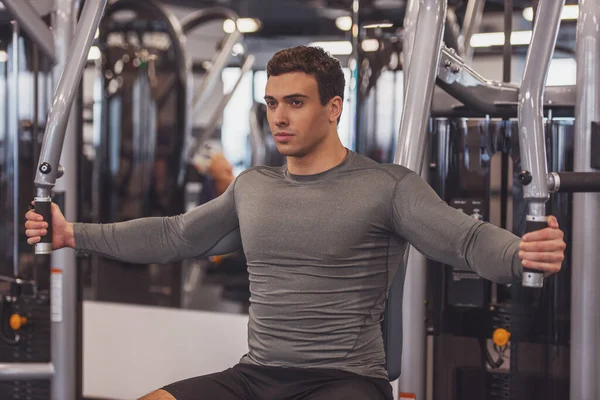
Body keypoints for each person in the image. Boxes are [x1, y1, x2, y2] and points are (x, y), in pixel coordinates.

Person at [25, 46, 566, 400]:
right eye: (271, 103)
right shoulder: (253, 186)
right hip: (256, 375)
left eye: (295, 103)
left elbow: (465, 240)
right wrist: (75, 235)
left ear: (333, 108)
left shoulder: (387, 186)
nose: (279, 117)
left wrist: (522, 255)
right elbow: (174, 235)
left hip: (347, 382)